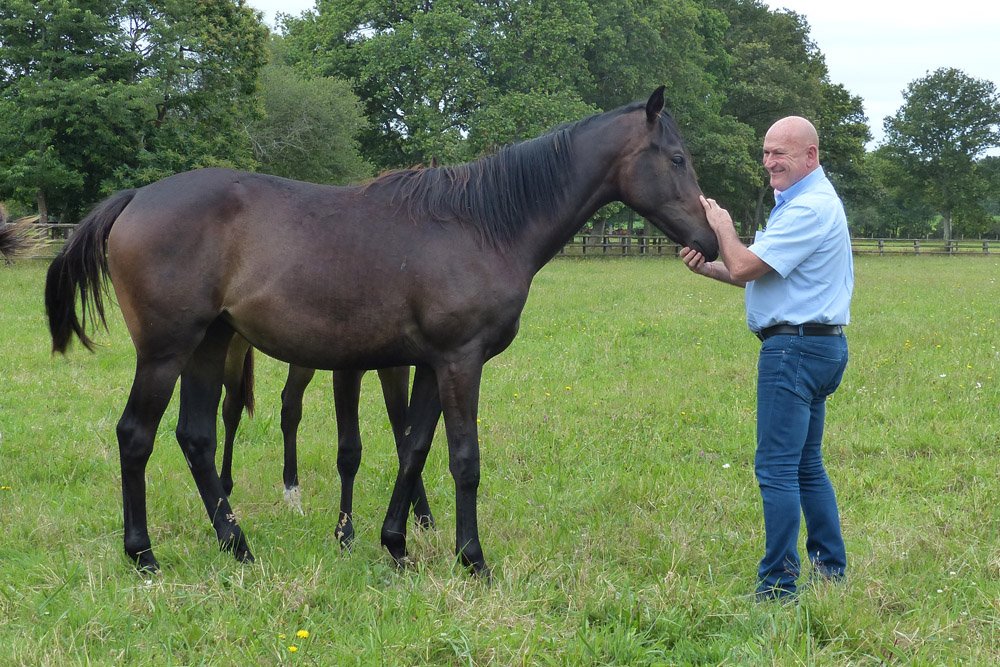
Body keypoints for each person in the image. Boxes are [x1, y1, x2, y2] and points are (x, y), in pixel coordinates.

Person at [680, 116, 853, 601]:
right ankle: (830, 569)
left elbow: (745, 264)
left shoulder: (809, 208)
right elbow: (756, 274)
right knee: (806, 465)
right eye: (766, 152)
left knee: (776, 469)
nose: (769, 162)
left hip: (794, 350)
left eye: (780, 153)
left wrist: (722, 228)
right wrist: (710, 270)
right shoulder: (802, 203)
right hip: (818, 345)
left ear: (811, 156)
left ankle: (778, 586)